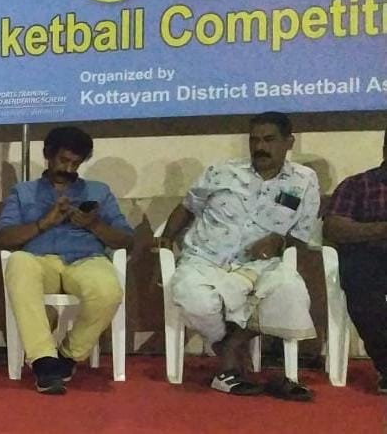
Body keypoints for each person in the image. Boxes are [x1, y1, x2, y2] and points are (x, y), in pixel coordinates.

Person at [156, 112, 320, 400]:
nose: (260, 147)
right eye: (254, 140)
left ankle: (231, 354)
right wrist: (166, 241)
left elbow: (301, 236)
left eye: (269, 140)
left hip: (260, 266)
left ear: (288, 142)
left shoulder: (304, 181)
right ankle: (230, 354)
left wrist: (279, 241)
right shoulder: (221, 171)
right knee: (193, 298)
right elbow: (187, 207)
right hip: (205, 260)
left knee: (289, 291)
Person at [0, 126, 132, 395]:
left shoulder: (98, 191)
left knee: (108, 292)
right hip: (39, 259)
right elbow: (2, 238)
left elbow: (127, 240)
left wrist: (94, 225)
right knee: (18, 263)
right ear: (48, 154)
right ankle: (44, 360)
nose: (68, 169)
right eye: (63, 160)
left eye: (75, 163)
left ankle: (68, 355)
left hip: (85, 259)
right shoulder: (23, 192)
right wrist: (43, 223)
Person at [323, 126, 387, 395]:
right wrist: (382, 229)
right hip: (369, 258)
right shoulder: (357, 185)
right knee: (361, 286)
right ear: (385, 150)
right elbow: (335, 228)